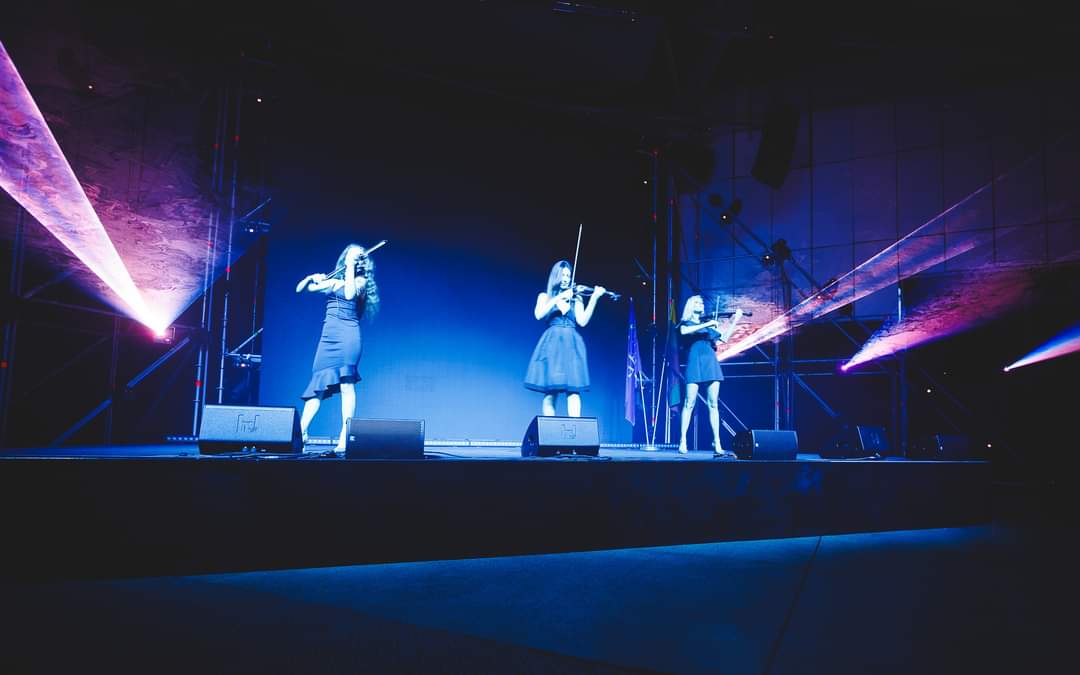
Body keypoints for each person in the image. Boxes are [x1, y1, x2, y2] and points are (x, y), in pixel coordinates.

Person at [295, 243, 380, 451]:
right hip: (328, 338)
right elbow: (303, 289)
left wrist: (350, 265)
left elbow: (349, 294)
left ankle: (345, 435)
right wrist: (311, 278)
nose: (354, 259)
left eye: (357, 257)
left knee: (346, 385)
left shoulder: (360, 282)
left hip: (348, 336)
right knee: (317, 387)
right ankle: (300, 433)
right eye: (350, 256)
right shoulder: (333, 281)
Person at [524, 260, 606, 417]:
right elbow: (538, 314)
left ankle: (575, 429)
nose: (566, 279)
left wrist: (594, 297)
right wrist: (560, 297)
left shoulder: (576, 298)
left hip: (572, 346)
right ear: (556, 276)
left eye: (568, 275)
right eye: (563, 275)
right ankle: (550, 430)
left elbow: (582, 321)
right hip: (552, 345)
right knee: (550, 392)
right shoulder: (545, 296)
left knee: (574, 392)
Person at [677, 295, 742, 456]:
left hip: (711, 363)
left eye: (702, 302)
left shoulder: (708, 328)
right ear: (691, 305)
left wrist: (735, 320)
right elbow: (684, 331)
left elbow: (724, 339)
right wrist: (708, 323)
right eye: (698, 302)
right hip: (694, 363)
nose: (701, 304)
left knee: (713, 404)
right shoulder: (686, 323)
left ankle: (717, 442)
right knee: (689, 403)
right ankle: (683, 440)